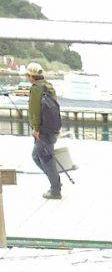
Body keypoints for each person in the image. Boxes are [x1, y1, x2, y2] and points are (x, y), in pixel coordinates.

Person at [26, 62, 62, 200]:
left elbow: (35, 111)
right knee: (39, 156)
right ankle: (55, 183)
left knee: (44, 158)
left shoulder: (36, 89)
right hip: (52, 128)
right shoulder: (48, 86)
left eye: (27, 75)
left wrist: (35, 129)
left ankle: (55, 189)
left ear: (31, 76)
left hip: (43, 130)